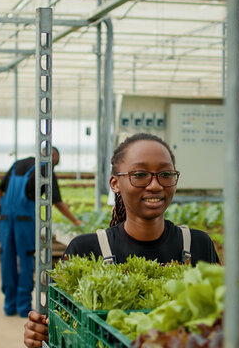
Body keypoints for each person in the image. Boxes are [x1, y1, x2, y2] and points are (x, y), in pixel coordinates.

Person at [23, 133, 220, 347]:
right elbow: (61, 326)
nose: (155, 185)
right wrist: (40, 333)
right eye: (140, 174)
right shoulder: (85, 249)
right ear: (115, 183)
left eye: (165, 174)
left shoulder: (198, 244)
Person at [0, 146, 83, 318]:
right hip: (24, 222)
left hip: (6, 220)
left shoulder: (17, 165)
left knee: (7, 260)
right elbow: (57, 202)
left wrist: (0, 213)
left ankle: (9, 305)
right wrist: (75, 221)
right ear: (53, 158)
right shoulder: (46, 170)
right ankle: (23, 308)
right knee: (27, 261)